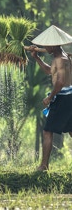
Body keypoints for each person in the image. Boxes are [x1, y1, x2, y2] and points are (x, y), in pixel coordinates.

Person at [29, 25, 72, 171]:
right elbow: (50, 71)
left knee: (47, 131)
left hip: (62, 98)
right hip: (69, 96)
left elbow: (59, 82)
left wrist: (50, 98)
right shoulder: (62, 56)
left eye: (47, 44)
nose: (45, 46)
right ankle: (44, 165)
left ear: (54, 45)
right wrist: (37, 58)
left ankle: (44, 166)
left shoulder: (60, 59)